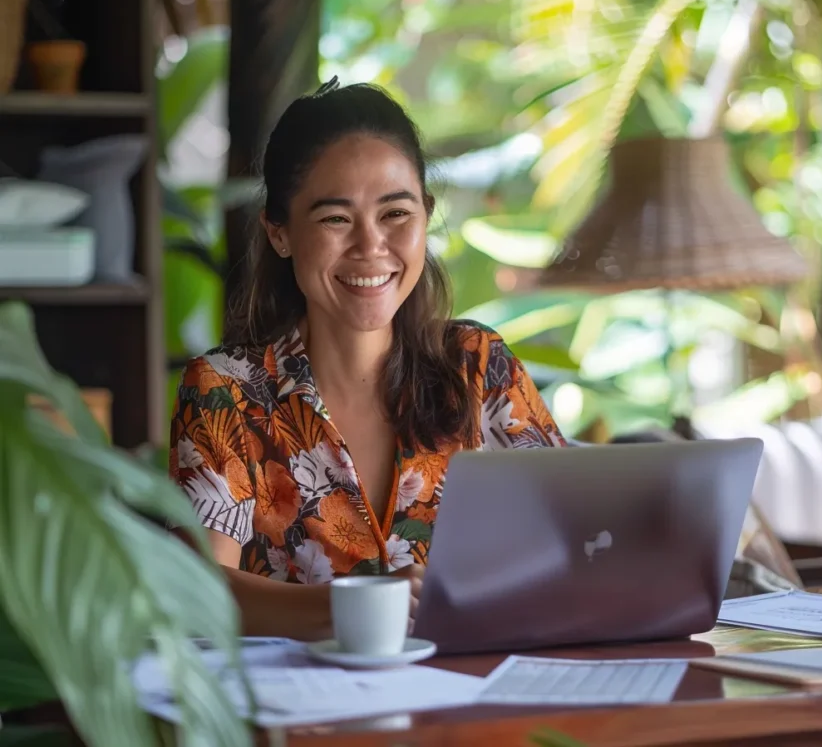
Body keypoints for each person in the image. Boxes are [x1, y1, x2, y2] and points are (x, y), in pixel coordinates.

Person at [169, 78, 566, 641]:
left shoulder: (479, 368)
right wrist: (357, 608)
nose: (370, 246)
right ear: (280, 234)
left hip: (474, 687)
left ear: (426, 217)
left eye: (395, 213)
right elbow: (194, 590)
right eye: (336, 219)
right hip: (301, 695)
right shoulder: (226, 391)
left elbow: (578, 541)